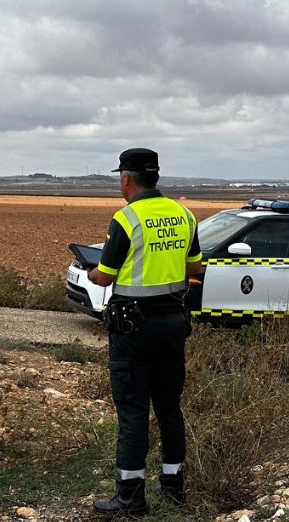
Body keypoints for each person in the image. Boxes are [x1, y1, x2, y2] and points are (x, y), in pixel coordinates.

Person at [87, 148, 202, 516]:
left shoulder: (126, 218)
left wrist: (91, 272)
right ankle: (173, 487)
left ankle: (131, 498)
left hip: (132, 327)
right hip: (172, 323)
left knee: (133, 409)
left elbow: (104, 275)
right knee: (169, 405)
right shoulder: (184, 215)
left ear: (126, 178)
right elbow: (193, 267)